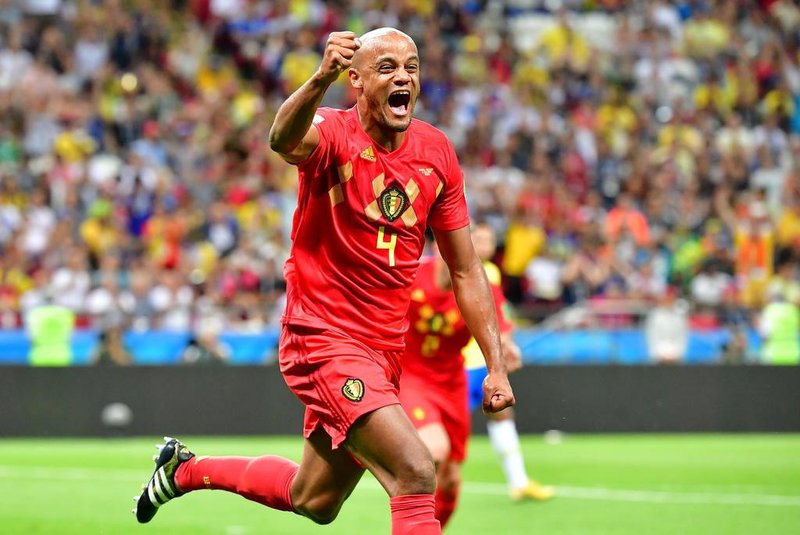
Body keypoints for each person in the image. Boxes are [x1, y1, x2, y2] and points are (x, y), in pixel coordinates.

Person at [133, 28, 514, 535]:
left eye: (411, 66)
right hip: (323, 338)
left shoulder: (437, 153)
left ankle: (182, 471)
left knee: (313, 499)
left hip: (384, 351)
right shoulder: (332, 133)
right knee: (416, 470)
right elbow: (281, 139)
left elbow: (466, 270)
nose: (403, 76)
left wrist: (495, 366)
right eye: (386, 68)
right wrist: (319, 78)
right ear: (354, 80)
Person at [398, 240, 514, 528]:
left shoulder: (483, 287)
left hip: (451, 384)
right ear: (438, 248)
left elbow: (500, 329)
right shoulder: (410, 275)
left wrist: (508, 350)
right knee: (434, 451)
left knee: (449, 480)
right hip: (410, 377)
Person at [462, 222, 554, 501]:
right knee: (448, 427)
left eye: (490, 239)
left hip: (483, 361)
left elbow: (496, 314)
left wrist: (506, 344)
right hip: (459, 362)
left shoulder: (490, 272)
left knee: (502, 415)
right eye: (480, 238)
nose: (487, 244)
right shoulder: (456, 270)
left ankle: (518, 481)